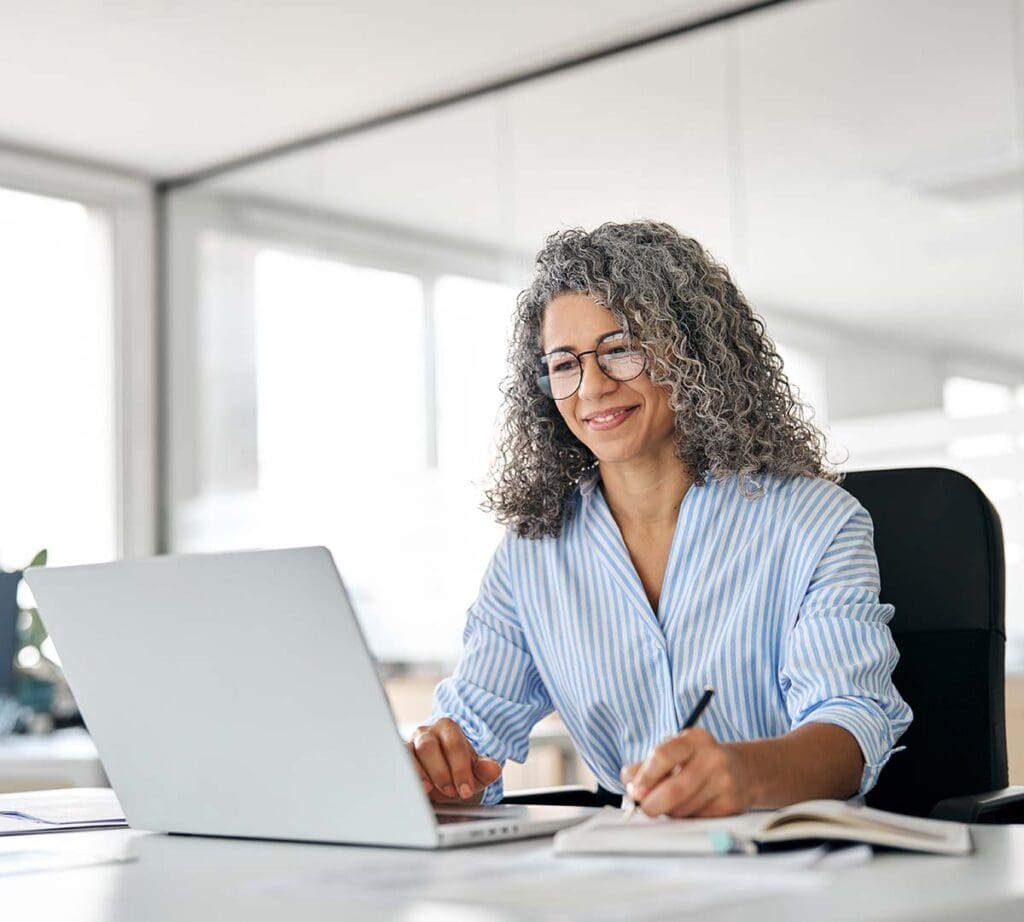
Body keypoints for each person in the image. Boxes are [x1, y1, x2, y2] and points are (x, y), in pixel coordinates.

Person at [406, 220, 911, 818]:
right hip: (623, 873)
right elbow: (472, 731)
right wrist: (442, 768)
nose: (591, 385)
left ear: (692, 352)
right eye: (564, 363)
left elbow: (851, 723)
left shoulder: (814, 523)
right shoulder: (531, 555)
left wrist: (742, 775)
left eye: (619, 348)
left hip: (787, 859)